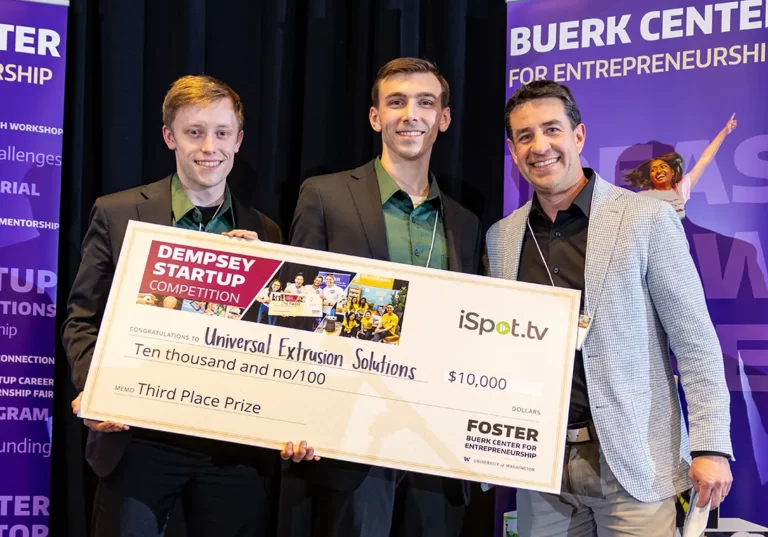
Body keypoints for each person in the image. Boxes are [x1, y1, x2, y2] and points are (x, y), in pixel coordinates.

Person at [61, 74, 316, 537]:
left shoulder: (268, 233)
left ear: (238, 141)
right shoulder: (120, 213)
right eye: (194, 132)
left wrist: (265, 278)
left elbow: (282, 345)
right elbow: (82, 319)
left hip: (233, 447)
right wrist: (95, 390)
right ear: (169, 137)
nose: (208, 147)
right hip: (136, 439)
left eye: (221, 133)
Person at [486, 80, 733, 537]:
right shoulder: (501, 237)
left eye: (551, 130)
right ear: (513, 149)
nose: (540, 146)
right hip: (539, 466)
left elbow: (695, 342)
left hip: (633, 463)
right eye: (525, 136)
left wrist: (711, 447)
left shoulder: (646, 218)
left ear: (578, 136)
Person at [288, 57, 482, 537]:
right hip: (350, 435)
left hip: (437, 440)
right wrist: (291, 413)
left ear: (444, 118)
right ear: (376, 117)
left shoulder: (465, 221)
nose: (409, 114)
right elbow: (296, 312)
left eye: (425, 102)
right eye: (395, 102)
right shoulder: (326, 196)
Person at [624, 114, 738, 219]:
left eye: (663, 167)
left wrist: (725, 131)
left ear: (672, 172)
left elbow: (704, 160)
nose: (658, 171)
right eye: (653, 170)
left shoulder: (680, 189)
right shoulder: (643, 197)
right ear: (650, 177)